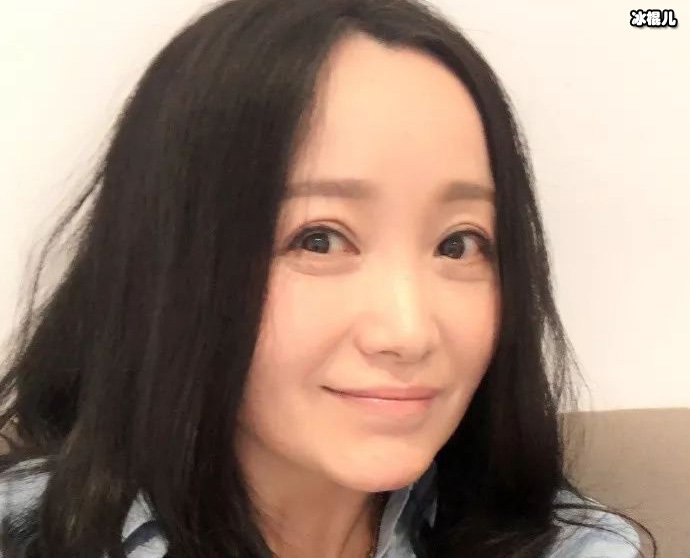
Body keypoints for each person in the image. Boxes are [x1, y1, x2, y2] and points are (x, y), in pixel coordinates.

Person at [0, 0, 655, 557]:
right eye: (318, 239)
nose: (408, 332)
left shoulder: (576, 546)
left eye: (458, 244)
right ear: (173, 261)